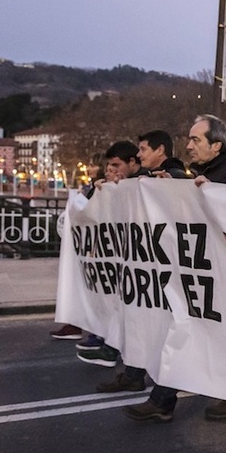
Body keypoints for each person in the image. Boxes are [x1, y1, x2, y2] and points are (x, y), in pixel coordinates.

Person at [123, 115, 226, 423]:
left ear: (216, 145)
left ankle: (172, 400)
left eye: (196, 140)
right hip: (201, 276)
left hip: (219, 279)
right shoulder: (201, 175)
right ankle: (166, 400)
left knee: (197, 334)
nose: (189, 145)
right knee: (187, 332)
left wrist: (208, 193)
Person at [94, 130, 189, 393]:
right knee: (141, 318)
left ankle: (162, 393)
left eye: (144, 149)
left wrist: (172, 185)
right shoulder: (144, 179)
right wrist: (112, 190)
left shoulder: (175, 177)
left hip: (164, 266)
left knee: (162, 326)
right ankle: (134, 373)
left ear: (161, 151)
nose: (139, 154)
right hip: (147, 265)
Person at [74, 141, 146, 367]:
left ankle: (119, 356)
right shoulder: (129, 182)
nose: (112, 169)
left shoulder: (150, 180)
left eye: (116, 164)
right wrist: (102, 191)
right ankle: (116, 354)